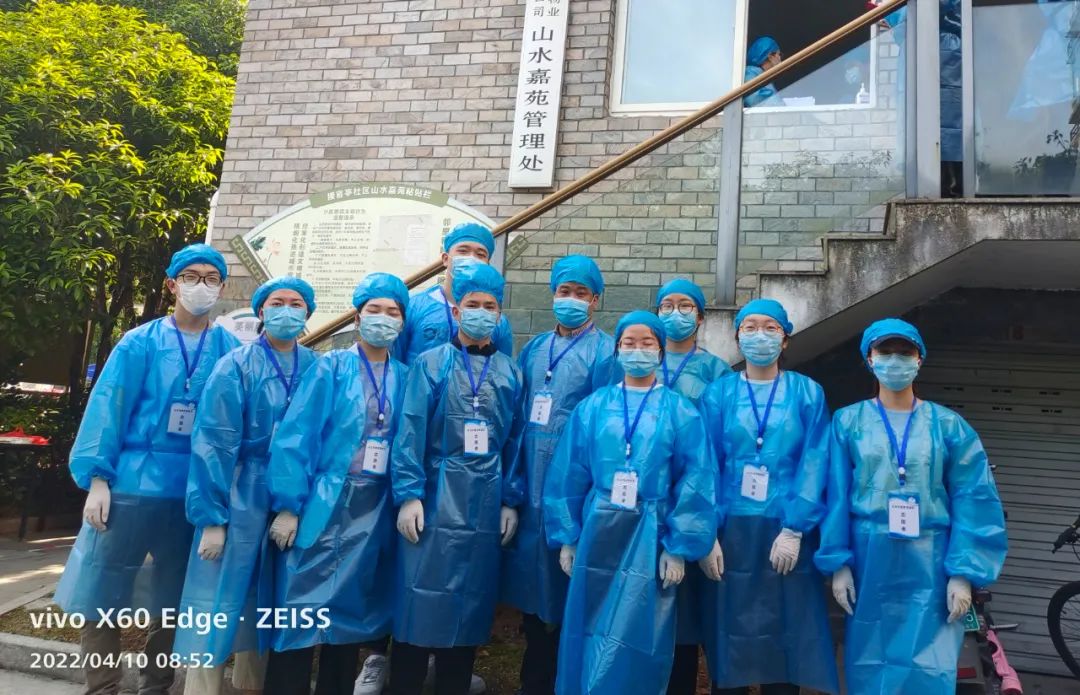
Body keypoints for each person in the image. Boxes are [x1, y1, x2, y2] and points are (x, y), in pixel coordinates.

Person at [54, 243, 241, 695]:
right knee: (102, 589)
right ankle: (102, 687)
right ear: (172, 285)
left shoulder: (230, 350)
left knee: (174, 597)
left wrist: (220, 505)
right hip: (130, 484)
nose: (201, 286)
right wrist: (98, 479)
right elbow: (108, 407)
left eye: (211, 278)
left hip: (194, 492)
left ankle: (156, 686)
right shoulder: (140, 342)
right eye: (191, 277)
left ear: (221, 287)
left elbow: (234, 427)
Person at [816, 318, 1008, 693]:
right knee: (871, 658)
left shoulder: (949, 425)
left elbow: (974, 498)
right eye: (885, 352)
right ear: (869, 358)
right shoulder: (848, 422)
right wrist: (838, 562)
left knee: (929, 665)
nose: (895, 360)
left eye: (904, 352)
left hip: (931, 561)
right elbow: (835, 494)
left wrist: (963, 572)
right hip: (869, 556)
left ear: (919, 359)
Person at [544, 310, 718, 695]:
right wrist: (568, 535)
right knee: (589, 625)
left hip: (650, 533)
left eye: (647, 343)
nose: (637, 350)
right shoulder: (593, 407)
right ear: (617, 349)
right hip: (598, 530)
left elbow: (696, 480)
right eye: (629, 343)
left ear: (660, 351)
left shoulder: (681, 411)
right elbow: (569, 472)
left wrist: (679, 546)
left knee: (642, 630)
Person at [262, 273, 411, 695]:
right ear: (358, 316)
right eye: (374, 310)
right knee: (297, 611)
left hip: (374, 507)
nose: (383, 318)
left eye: (392, 312)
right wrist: (289, 505)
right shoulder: (331, 367)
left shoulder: (405, 376)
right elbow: (298, 434)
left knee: (348, 615)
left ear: (402, 322)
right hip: (322, 503)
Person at [175, 276, 319, 695]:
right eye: (278, 302)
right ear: (261, 311)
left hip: (291, 496)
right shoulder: (235, 365)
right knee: (218, 599)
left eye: (296, 303)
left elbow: (321, 438)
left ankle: (251, 686)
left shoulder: (317, 367)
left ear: (308, 313)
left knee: (268, 603)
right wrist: (212, 518)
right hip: (238, 490)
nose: (287, 310)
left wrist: (294, 503)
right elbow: (214, 442)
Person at [389, 263, 526, 695]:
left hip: (484, 500)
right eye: (472, 304)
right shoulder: (430, 363)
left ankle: (454, 682)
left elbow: (516, 440)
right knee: (418, 598)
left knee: (469, 600)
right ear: (456, 310)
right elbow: (410, 430)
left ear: (499, 315)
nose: (481, 312)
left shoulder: (510, 372)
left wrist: (510, 499)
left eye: (490, 306)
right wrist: (409, 494)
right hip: (434, 495)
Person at [698, 299, 839, 695]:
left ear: (785, 339)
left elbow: (815, 461)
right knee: (730, 648)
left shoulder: (806, 394)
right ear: (738, 336)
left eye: (770, 328)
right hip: (730, 537)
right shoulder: (718, 395)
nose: (760, 336)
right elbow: (704, 464)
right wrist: (706, 532)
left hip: (786, 535)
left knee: (785, 644)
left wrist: (795, 528)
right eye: (750, 327)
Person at [501, 255, 614, 695]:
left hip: (574, 487)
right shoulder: (534, 349)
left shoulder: (606, 352)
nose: (571, 299)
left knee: (572, 593)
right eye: (564, 291)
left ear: (596, 300)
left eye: (581, 293)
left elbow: (604, 429)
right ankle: (535, 681)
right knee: (534, 591)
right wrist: (512, 494)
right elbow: (517, 422)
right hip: (530, 482)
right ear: (553, 295)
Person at [651, 279, 731, 695]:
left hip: (691, 499)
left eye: (685, 306)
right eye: (667, 305)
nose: (675, 313)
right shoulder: (638, 360)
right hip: (642, 502)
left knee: (683, 612)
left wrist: (708, 522)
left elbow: (717, 452)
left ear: (700, 317)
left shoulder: (716, 373)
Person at [393, 221, 513, 363]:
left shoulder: (495, 320)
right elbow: (395, 363)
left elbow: (504, 368)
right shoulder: (414, 307)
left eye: (480, 254)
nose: (471, 258)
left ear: (487, 263)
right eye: (463, 251)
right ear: (445, 259)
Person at [744, 36, 782, 107]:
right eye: (779, 54)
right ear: (770, 57)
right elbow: (757, 100)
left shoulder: (759, 75)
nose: (780, 59)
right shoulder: (749, 74)